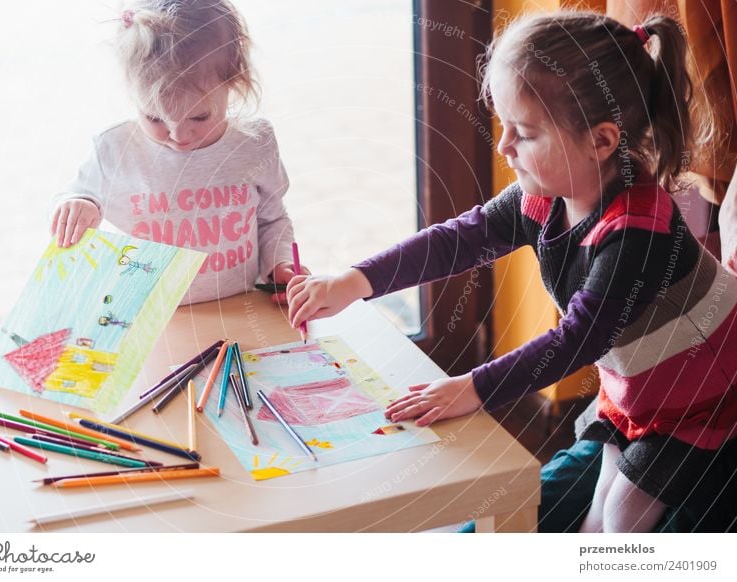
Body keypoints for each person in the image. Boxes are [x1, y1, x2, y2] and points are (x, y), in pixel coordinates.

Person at [287, 11, 737, 533]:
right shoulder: (546, 197)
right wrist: (355, 281)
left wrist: (471, 388)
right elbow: (462, 237)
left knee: (620, 520)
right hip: (643, 387)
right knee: (599, 517)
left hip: (705, 396)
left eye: (522, 133)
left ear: (601, 141)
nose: (503, 147)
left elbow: (575, 340)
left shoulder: (637, 234)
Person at [50, 0, 306, 304]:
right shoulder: (115, 148)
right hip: (152, 315)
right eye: (154, 118)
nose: (178, 136)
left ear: (233, 82)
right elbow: (76, 195)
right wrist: (79, 203)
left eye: (199, 117)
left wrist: (280, 266)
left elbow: (272, 219)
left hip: (239, 306)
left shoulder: (254, 143)